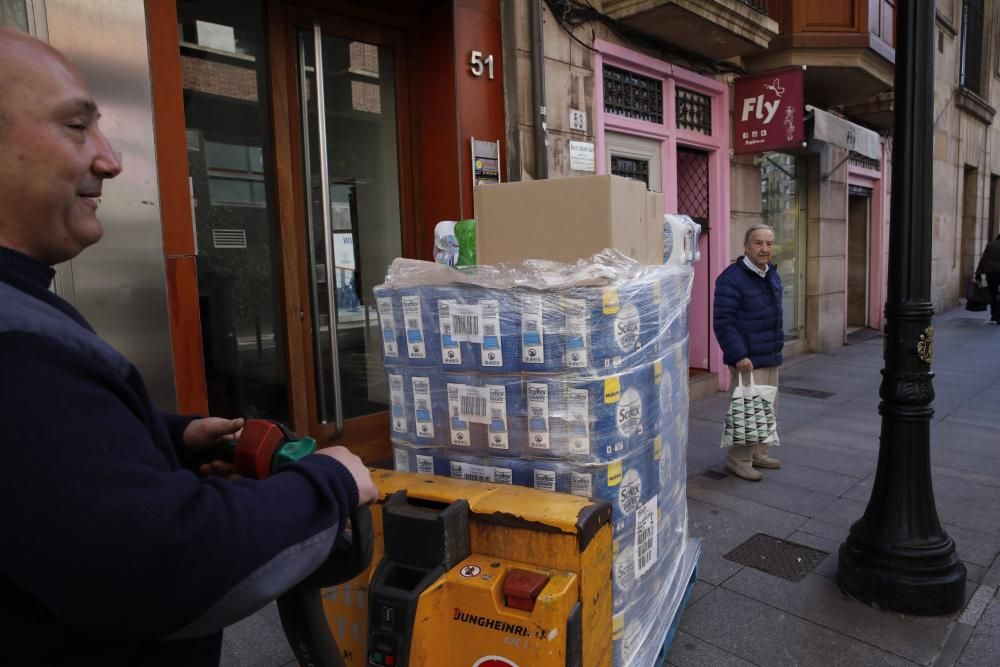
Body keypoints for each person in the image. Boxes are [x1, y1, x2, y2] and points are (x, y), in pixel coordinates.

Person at [0, 29, 377, 666]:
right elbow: (162, 568)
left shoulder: (24, 317)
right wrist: (331, 481)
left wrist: (165, 438)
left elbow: (46, 471)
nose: (111, 160)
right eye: (75, 127)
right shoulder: (17, 348)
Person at [713, 224, 784, 481]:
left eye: (769, 243)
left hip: (770, 353)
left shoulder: (771, 274)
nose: (765, 248)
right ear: (746, 246)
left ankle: (758, 454)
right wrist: (738, 355)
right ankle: (738, 460)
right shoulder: (731, 278)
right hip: (749, 359)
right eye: (758, 243)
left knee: (768, 408)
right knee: (747, 410)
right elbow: (723, 322)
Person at [975, 233, 1000, 324]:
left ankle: (995, 315)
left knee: (993, 294)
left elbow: (983, 259)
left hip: (991, 273)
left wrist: (978, 272)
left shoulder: (991, 244)